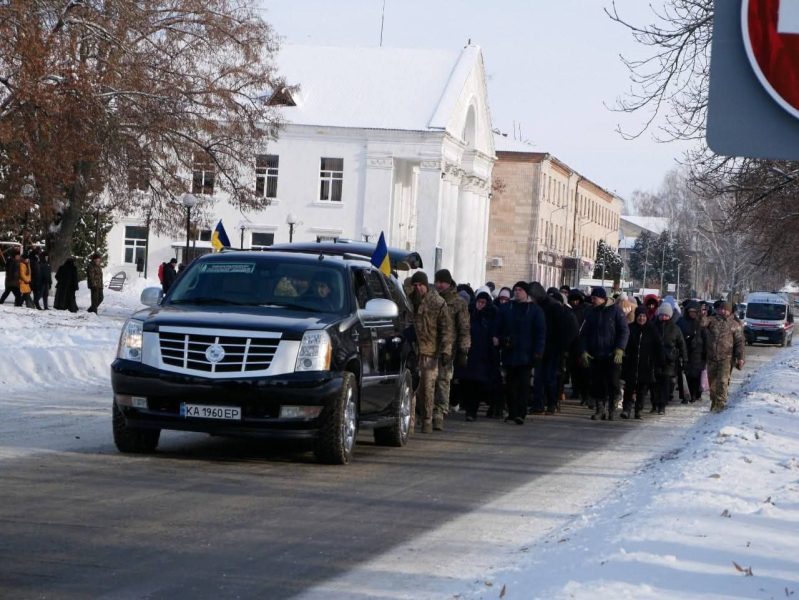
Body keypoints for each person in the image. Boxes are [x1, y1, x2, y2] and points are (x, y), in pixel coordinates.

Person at [408, 271, 453, 433]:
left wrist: (446, 351)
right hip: (413, 352)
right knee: (411, 389)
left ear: (426, 285)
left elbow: (446, 329)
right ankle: (410, 423)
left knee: (427, 388)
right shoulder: (409, 301)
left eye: (420, 285)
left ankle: (427, 420)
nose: (418, 288)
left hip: (430, 352)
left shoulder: (437, 302)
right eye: (415, 285)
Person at [494, 281, 546, 425]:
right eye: (515, 290)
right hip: (509, 353)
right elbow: (498, 327)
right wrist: (499, 339)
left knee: (523, 385)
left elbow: (540, 333)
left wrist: (538, 352)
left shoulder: (535, 310)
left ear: (526, 293)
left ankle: (520, 414)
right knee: (510, 385)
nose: (517, 292)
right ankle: (511, 412)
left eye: (520, 290)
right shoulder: (507, 308)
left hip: (526, 355)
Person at [580, 286, 629, 421]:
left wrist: (620, 348)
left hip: (612, 355)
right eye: (592, 298)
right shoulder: (590, 312)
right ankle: (600, 410)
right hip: (595, 354)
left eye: (594, 298)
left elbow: (624, 331)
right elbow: (583, 334)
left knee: (613, 383)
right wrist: (583, 350)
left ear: (602, 298)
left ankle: (612, 410)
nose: (592, 301)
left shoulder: (616, 311)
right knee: (597, 384)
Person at [433, 269, 470, 425]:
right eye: (437, 282)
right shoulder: (431, 299)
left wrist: (463, 350)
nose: (439, 285)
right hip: (429, 345)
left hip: (448, 348)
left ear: (449, 283)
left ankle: (440, 412)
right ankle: (427, 410)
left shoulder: (458, 303)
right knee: (428, 380)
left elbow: (464, 328)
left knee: (443, 379)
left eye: (442, 282)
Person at [455, 290, 499, 421]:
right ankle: (469, 410)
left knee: (478, 385)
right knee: (467, 384)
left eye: (483, 303)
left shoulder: (492, 316)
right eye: (479, 302)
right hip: (469, 355)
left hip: (484, 357)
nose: (480, 305)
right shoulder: (470, 314)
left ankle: (472, 411)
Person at [621, 306, 664, 419]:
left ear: (647, 317)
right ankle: (626, 409)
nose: (641, 318)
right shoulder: (630, 328)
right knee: (629, 387)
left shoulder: (652, 329)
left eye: (644, 316)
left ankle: (638, 410)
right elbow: (624, 343)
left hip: (646, 364)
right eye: (639, 316)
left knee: (642, 389)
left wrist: (660, 362)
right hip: (631, 363)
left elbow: (658, 346)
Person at [706, 300, 745, 412]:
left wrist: (740, 357)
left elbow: (740, 342)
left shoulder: (734, 324)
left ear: (729, 311)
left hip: (726, 358)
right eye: (721, 309)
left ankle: (720, 405)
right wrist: (702, 313)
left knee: (722, 381)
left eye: (725, 309)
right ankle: (714, 402)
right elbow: (701, 323)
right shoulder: (712, 321)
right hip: (712, 357)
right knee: (712, 383)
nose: (722, 311)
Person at [652, 303, 688, 415]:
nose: (663, 317)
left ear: (670, 316)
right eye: (661, 315)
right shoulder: (653, 326)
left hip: (670, 360)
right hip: (655, 359)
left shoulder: (675, 328)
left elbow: (682, 344)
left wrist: (684, 358)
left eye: (666, 315)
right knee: (654, 383)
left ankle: (662, 405)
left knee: (665, 383)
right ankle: (655, 403)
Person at [677, 301, 709, 403]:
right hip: (685, 351)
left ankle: (695, 394)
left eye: (695, 312)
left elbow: (706, 339)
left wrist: (706, 353)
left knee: (696, 375)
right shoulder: (681, 322)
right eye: (691, 311)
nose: (693, 314)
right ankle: (685, 396)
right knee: (685, 375)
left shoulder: (701, 323)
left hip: (698, 353)